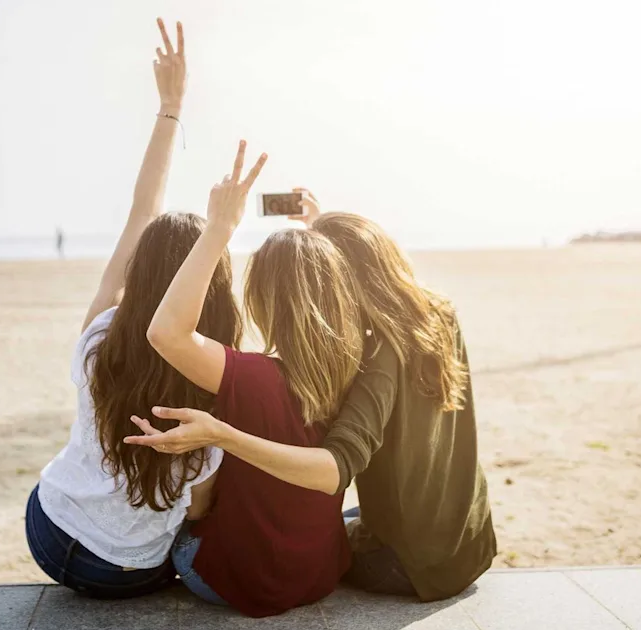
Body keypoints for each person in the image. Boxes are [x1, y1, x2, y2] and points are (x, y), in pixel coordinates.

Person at [128, 192, 497, 603]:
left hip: (410, 563)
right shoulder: (436, 313)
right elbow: (364, 269)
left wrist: (222, 434)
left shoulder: (377, 360)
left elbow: (333, 470)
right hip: (468, 539)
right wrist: (322, 226)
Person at [24, 19, 240, 599]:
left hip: (48, 533)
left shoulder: (99, 335)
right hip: (126, 572)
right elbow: (198, 512)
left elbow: (142, 213)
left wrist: (170, 108)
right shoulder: (214, 387)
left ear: (140, 273)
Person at [140, 146, 365, 617]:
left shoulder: (245, 374)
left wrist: (219, 229)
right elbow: (338, 282)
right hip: (320, 574)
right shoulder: (356, 367)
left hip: (234, 581)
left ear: (259, 296)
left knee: (175, 528)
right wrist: (317, 231)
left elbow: (165, 332)